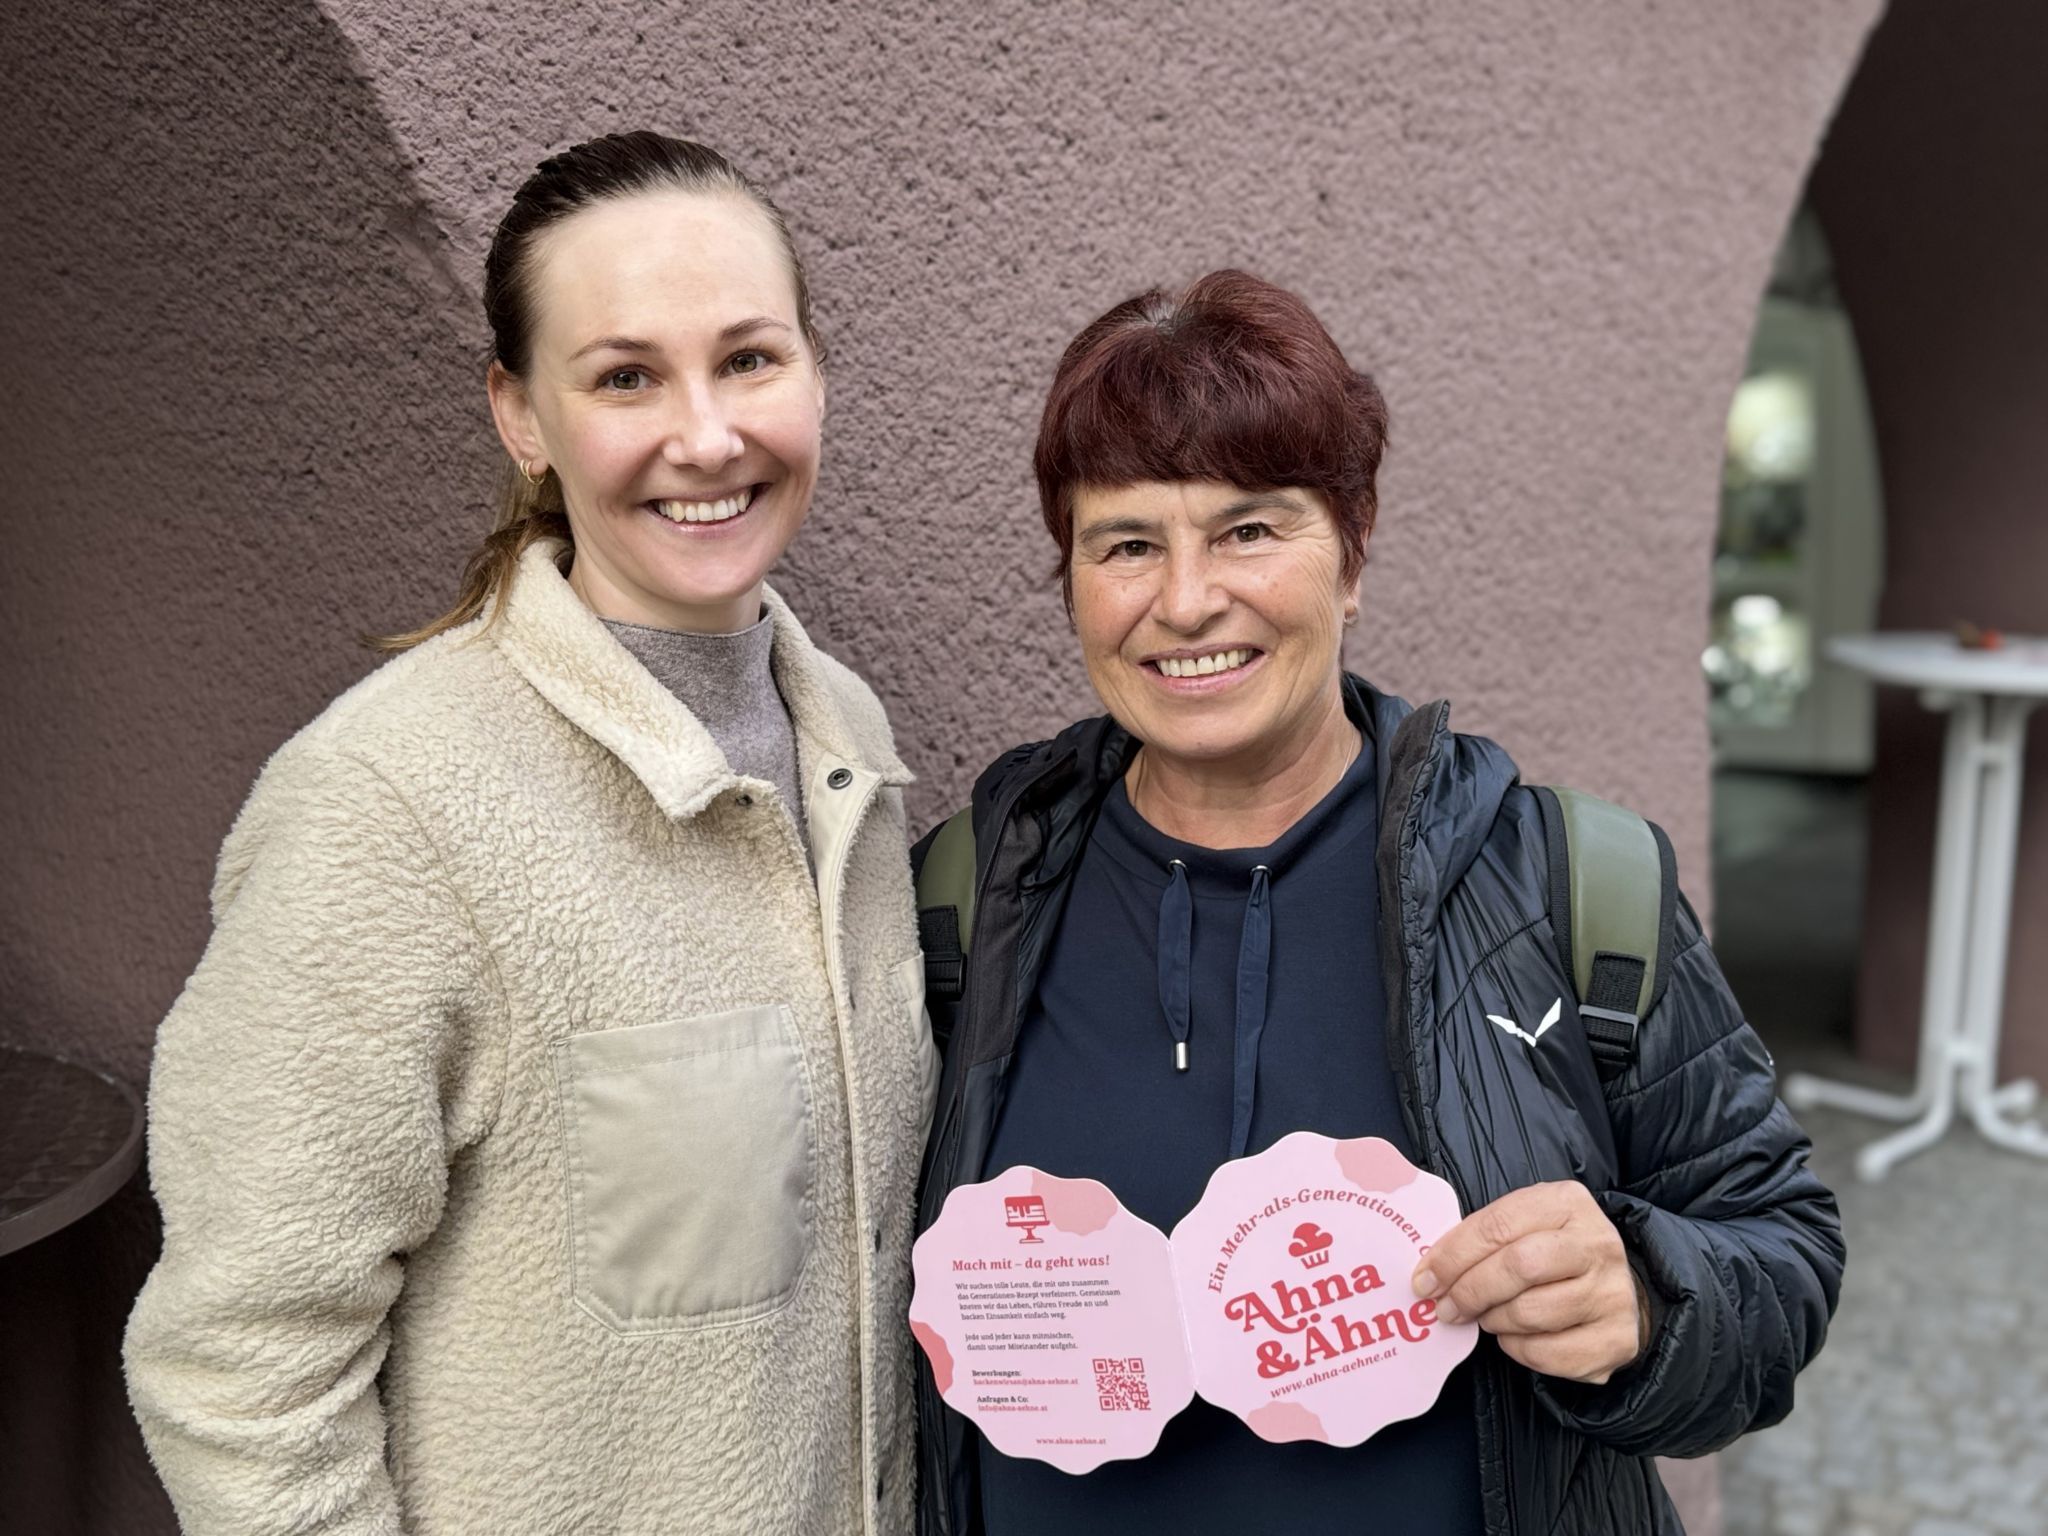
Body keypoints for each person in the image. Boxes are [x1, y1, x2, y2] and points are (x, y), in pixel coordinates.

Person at [911, 269, 1843, 1534]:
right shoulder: (973, 901)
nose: (1184, 600)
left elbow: (1778, 1247)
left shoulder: (1558, 888)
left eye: (1248, 530)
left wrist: (1647, 1296)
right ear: (1071, 579)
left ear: (1350, 553)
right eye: (1125, 544)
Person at [125, 132, 935, 1535]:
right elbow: (240, 1368)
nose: (706, 436)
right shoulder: (387, 802)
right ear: (519, 414)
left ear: (814, 372)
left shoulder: (847, 741)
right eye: (625, 377)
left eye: (749, 358)